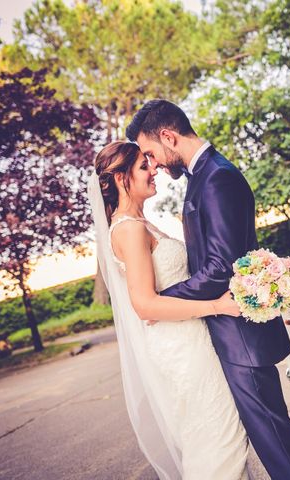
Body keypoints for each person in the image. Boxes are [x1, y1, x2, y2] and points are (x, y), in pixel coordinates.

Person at [125, 100, 290, 480]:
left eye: (151, 153)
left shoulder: (216, 178)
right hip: (233, 334)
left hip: (241, 337)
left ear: (169, 136)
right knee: (271, 437)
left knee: (274, 439)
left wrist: (160, 302)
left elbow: (219, 267)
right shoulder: (203, 177)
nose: (156, 164)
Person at [88, 141, 249, 480]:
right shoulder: (129, 230)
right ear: (121, 178)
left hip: (190, 337)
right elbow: (144, 303)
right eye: (144, 166)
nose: (154, 170)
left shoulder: (141, 223)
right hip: (181, 346)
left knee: (214, 434)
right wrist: (217, 305)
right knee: (220, 436)